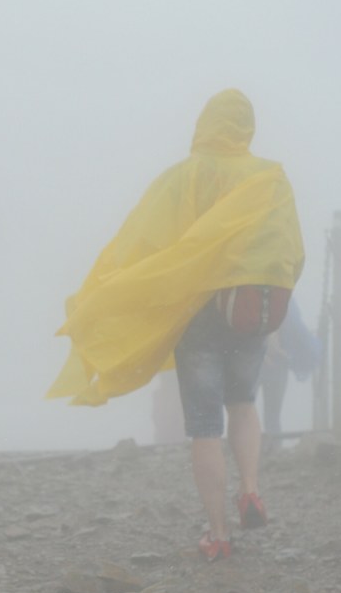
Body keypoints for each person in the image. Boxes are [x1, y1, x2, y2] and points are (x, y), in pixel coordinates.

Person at [49, 89, 304, 562]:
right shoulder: (270, 178)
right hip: (249, 308)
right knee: (244, 402)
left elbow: (144, 239)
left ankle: (218, 533)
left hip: (200, 313)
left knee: (205, 426)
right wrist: (271, 315)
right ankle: (250, 490)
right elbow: (289, 250)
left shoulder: (183, 176)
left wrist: (123, 290)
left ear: (205, 123)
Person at [259, 298, 321, 452]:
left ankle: (256, 450)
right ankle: (272, 450)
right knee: (271, 411)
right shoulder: (284, 301)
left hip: (257, 359)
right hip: (275, 360)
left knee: (244, 408)